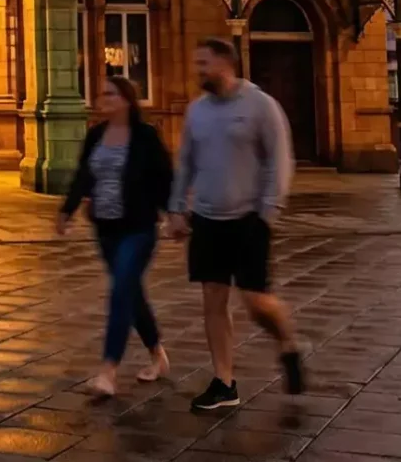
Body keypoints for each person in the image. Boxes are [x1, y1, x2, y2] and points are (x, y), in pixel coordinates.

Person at [168, 38, 302, 413]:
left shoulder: (261, 105)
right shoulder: (197, 112)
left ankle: (288, 344)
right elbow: (186, 163)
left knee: (256, 301)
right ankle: (224, 382)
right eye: (196, 64)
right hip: (207, 219)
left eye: (204, 63)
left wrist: (268, 212)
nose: (198, 71)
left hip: (248, 219)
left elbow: (279, 160)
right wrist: (177, 209)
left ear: (227, 63)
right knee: (213, 300)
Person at [56, 75, 175, 398]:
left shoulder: (145, 136)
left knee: (120, 291)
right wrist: (66, 211)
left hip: (138, 228)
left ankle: (108, 370)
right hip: (105, 229)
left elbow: (164, 178)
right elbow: (83, 176)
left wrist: (174, 214)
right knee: (131, 293)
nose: (103, 99)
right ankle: (157, 355)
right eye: (102, 93)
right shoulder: (96, 135)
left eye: (110, 94)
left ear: (126, 99)